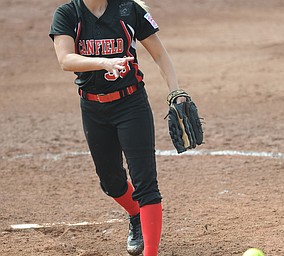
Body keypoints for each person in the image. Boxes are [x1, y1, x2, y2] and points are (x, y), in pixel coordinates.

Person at [49, 0, 184, 255]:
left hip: (131, 104)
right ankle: (135, 216)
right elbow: (65, 59)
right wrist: (103, 62)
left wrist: (175, 90)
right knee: (111, 181)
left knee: (146, 183)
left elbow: (159, 54)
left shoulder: (129, 10)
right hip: (93, 108)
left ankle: (151, 251)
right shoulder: (68, 14)